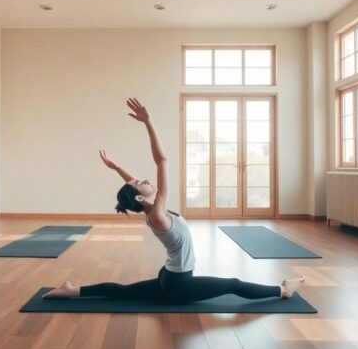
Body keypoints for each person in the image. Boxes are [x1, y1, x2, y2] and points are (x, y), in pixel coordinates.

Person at [43, 98, 304, 303]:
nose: (144, 179)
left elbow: (135, 181)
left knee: (125, 291)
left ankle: (72, 290)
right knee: (232, 284)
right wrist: (148, 122)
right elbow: (162, 161)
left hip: (170, 276)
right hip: (180, 284)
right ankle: (281, 291)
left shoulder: (151, 207)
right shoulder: (157, 213)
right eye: (140, 183)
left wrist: (117, 168)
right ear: (138, 196)